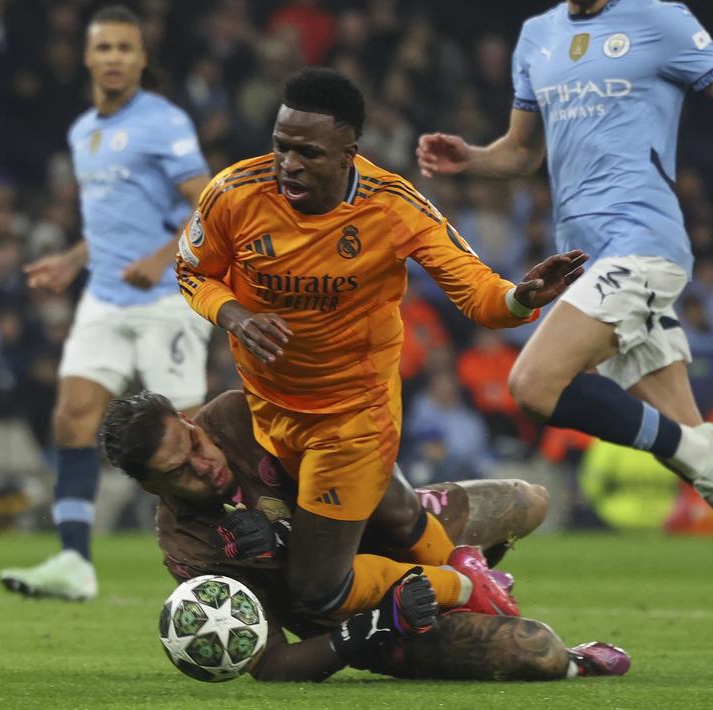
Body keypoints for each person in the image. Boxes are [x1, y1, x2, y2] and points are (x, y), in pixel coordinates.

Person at [415, 0, 713, 650]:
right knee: (703, 463)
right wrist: (472, 158)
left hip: (643, 245)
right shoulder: (536, 36)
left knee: (534, 384)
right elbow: (519, 152)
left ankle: (703, 452)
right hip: (588, 260)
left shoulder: (659, 19)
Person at [176, 67, 598, 627]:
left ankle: (460, 585)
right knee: (395, 516)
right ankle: (457, 557)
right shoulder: (234, 193)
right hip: (268, 407)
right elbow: (191, 271)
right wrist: (234, 314)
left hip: (351, 419)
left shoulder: (394, 207)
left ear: (350, 152)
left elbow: (476, 292)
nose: (289, 164)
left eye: (308, 152)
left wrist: (520, 298)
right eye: (281, 147)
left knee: (316, 590)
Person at [99, 389, 629, 681]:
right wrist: (374, 627)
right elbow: (271, 665)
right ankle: (576, 662)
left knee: (528, 498)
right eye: (179, 471)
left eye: (193, 441)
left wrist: (282, 533)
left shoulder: (241, 413)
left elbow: (349, 453)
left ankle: (465, 569)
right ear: (151, 487)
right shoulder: (190, 551)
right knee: (539, 652)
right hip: (368, 613)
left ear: (189, 419)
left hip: (386, 530)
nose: (203, 464)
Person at [0, 5, 214, 601]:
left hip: (166, 297)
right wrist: (73, 259)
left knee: (193, 433)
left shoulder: (163, 121)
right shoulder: (82, 132)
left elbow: (211, 205)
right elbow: (113, 220)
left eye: (125, 48)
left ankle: (235, 545)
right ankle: (74, 559)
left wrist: (161, 257)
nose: (114, 57)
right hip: (105, 296)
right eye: (105, 48)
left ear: (141, 60)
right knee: (71, 416)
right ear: (88, 57)